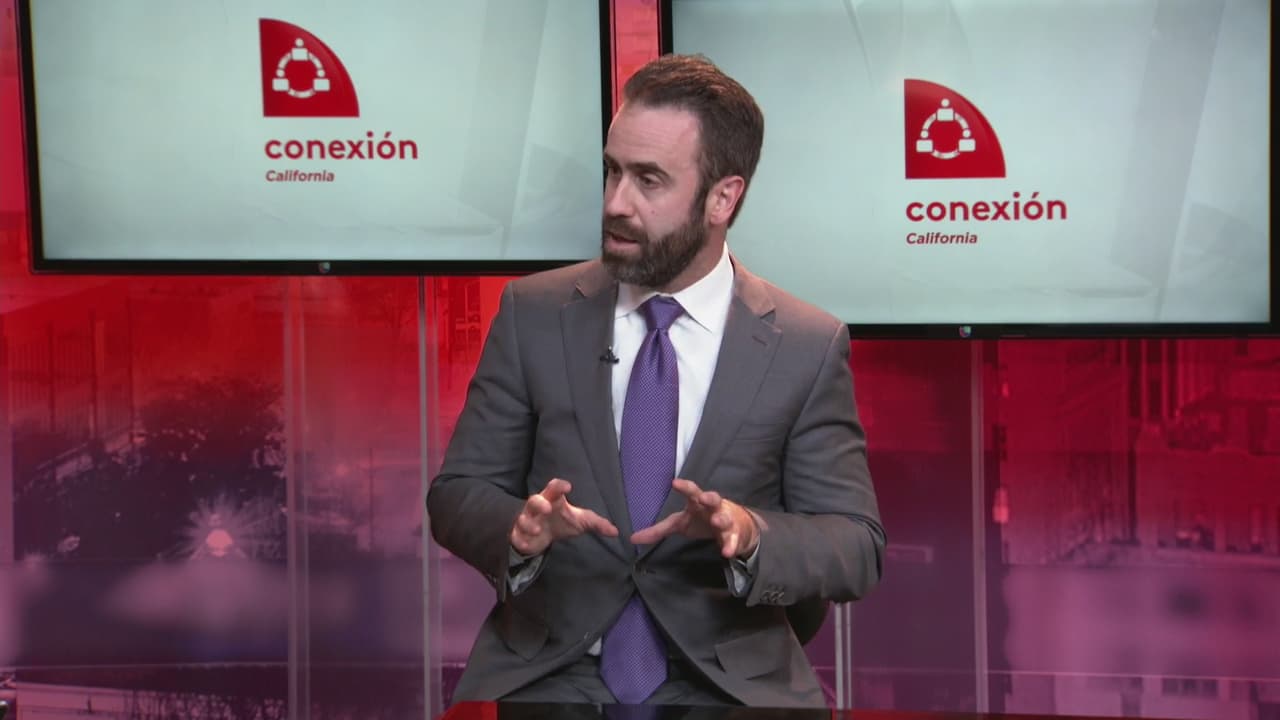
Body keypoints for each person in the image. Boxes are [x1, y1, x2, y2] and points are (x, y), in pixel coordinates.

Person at [427, 53, 885, 708]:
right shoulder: (534, 313)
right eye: (612, 171)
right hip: (556, 674)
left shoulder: (806, 344)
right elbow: (457, 494)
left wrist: (749, 533)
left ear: (723, 197)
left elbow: (854, 545)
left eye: (649, 180)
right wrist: (519, 531)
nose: (616, 203)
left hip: (727, 686)